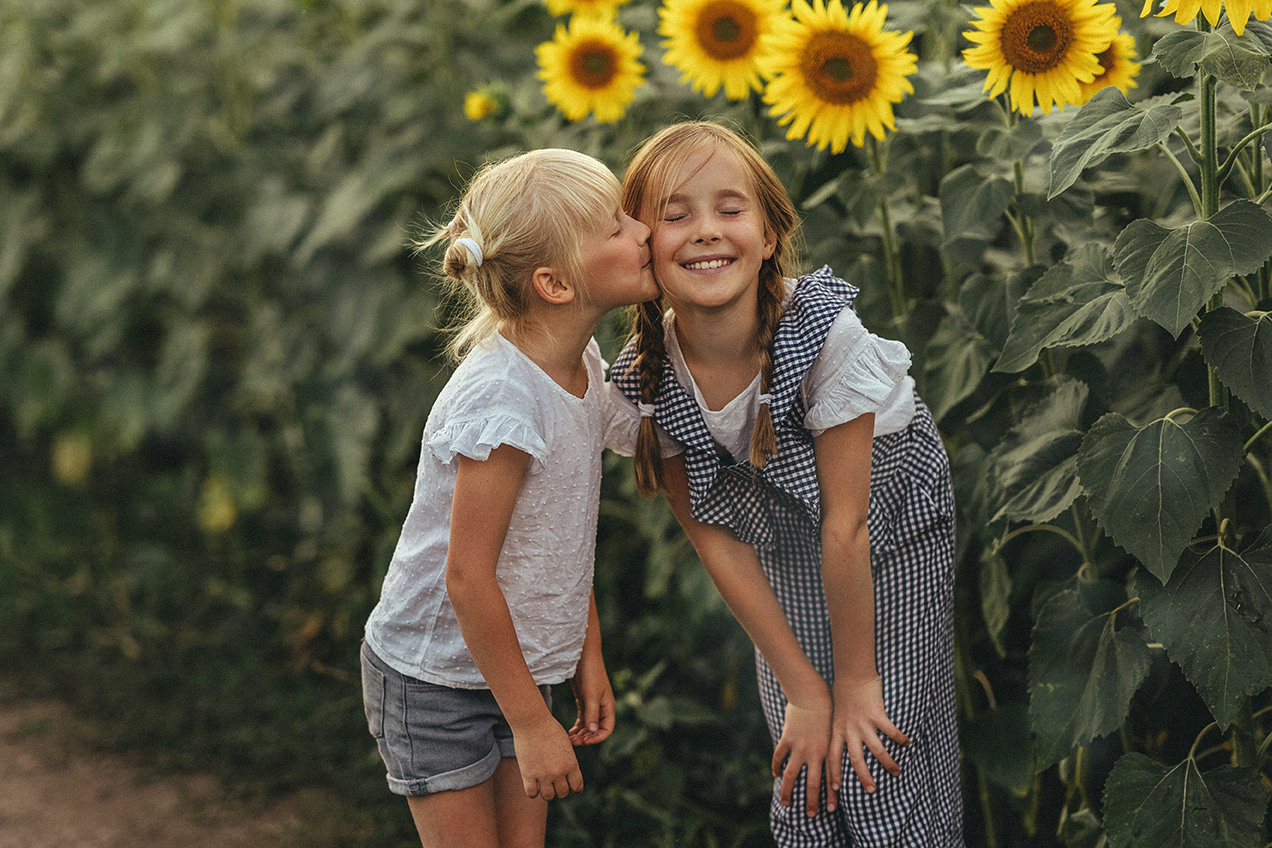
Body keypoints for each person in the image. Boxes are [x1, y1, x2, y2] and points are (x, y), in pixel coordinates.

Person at [608, 121, 963, 846]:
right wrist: (806, 690)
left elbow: (848, 526)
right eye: (675, 216)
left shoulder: (825, 337)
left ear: (770, 234)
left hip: (890, 533)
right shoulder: (649, 378)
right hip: (777, 548)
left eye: (730, 210)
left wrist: (856, 683)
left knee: (875, 754)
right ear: (643, 244)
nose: (706, 231)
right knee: (806, 760)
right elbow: (719, 548)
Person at [361, 147, 659, 848]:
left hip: (512, 664)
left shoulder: (580, 367)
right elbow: (466, 577)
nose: (642, 231)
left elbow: (558, 535)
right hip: (436, 676)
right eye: (616, 227)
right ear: (555, 284)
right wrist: (530, 722)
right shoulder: (504, 398)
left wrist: (584, 653)